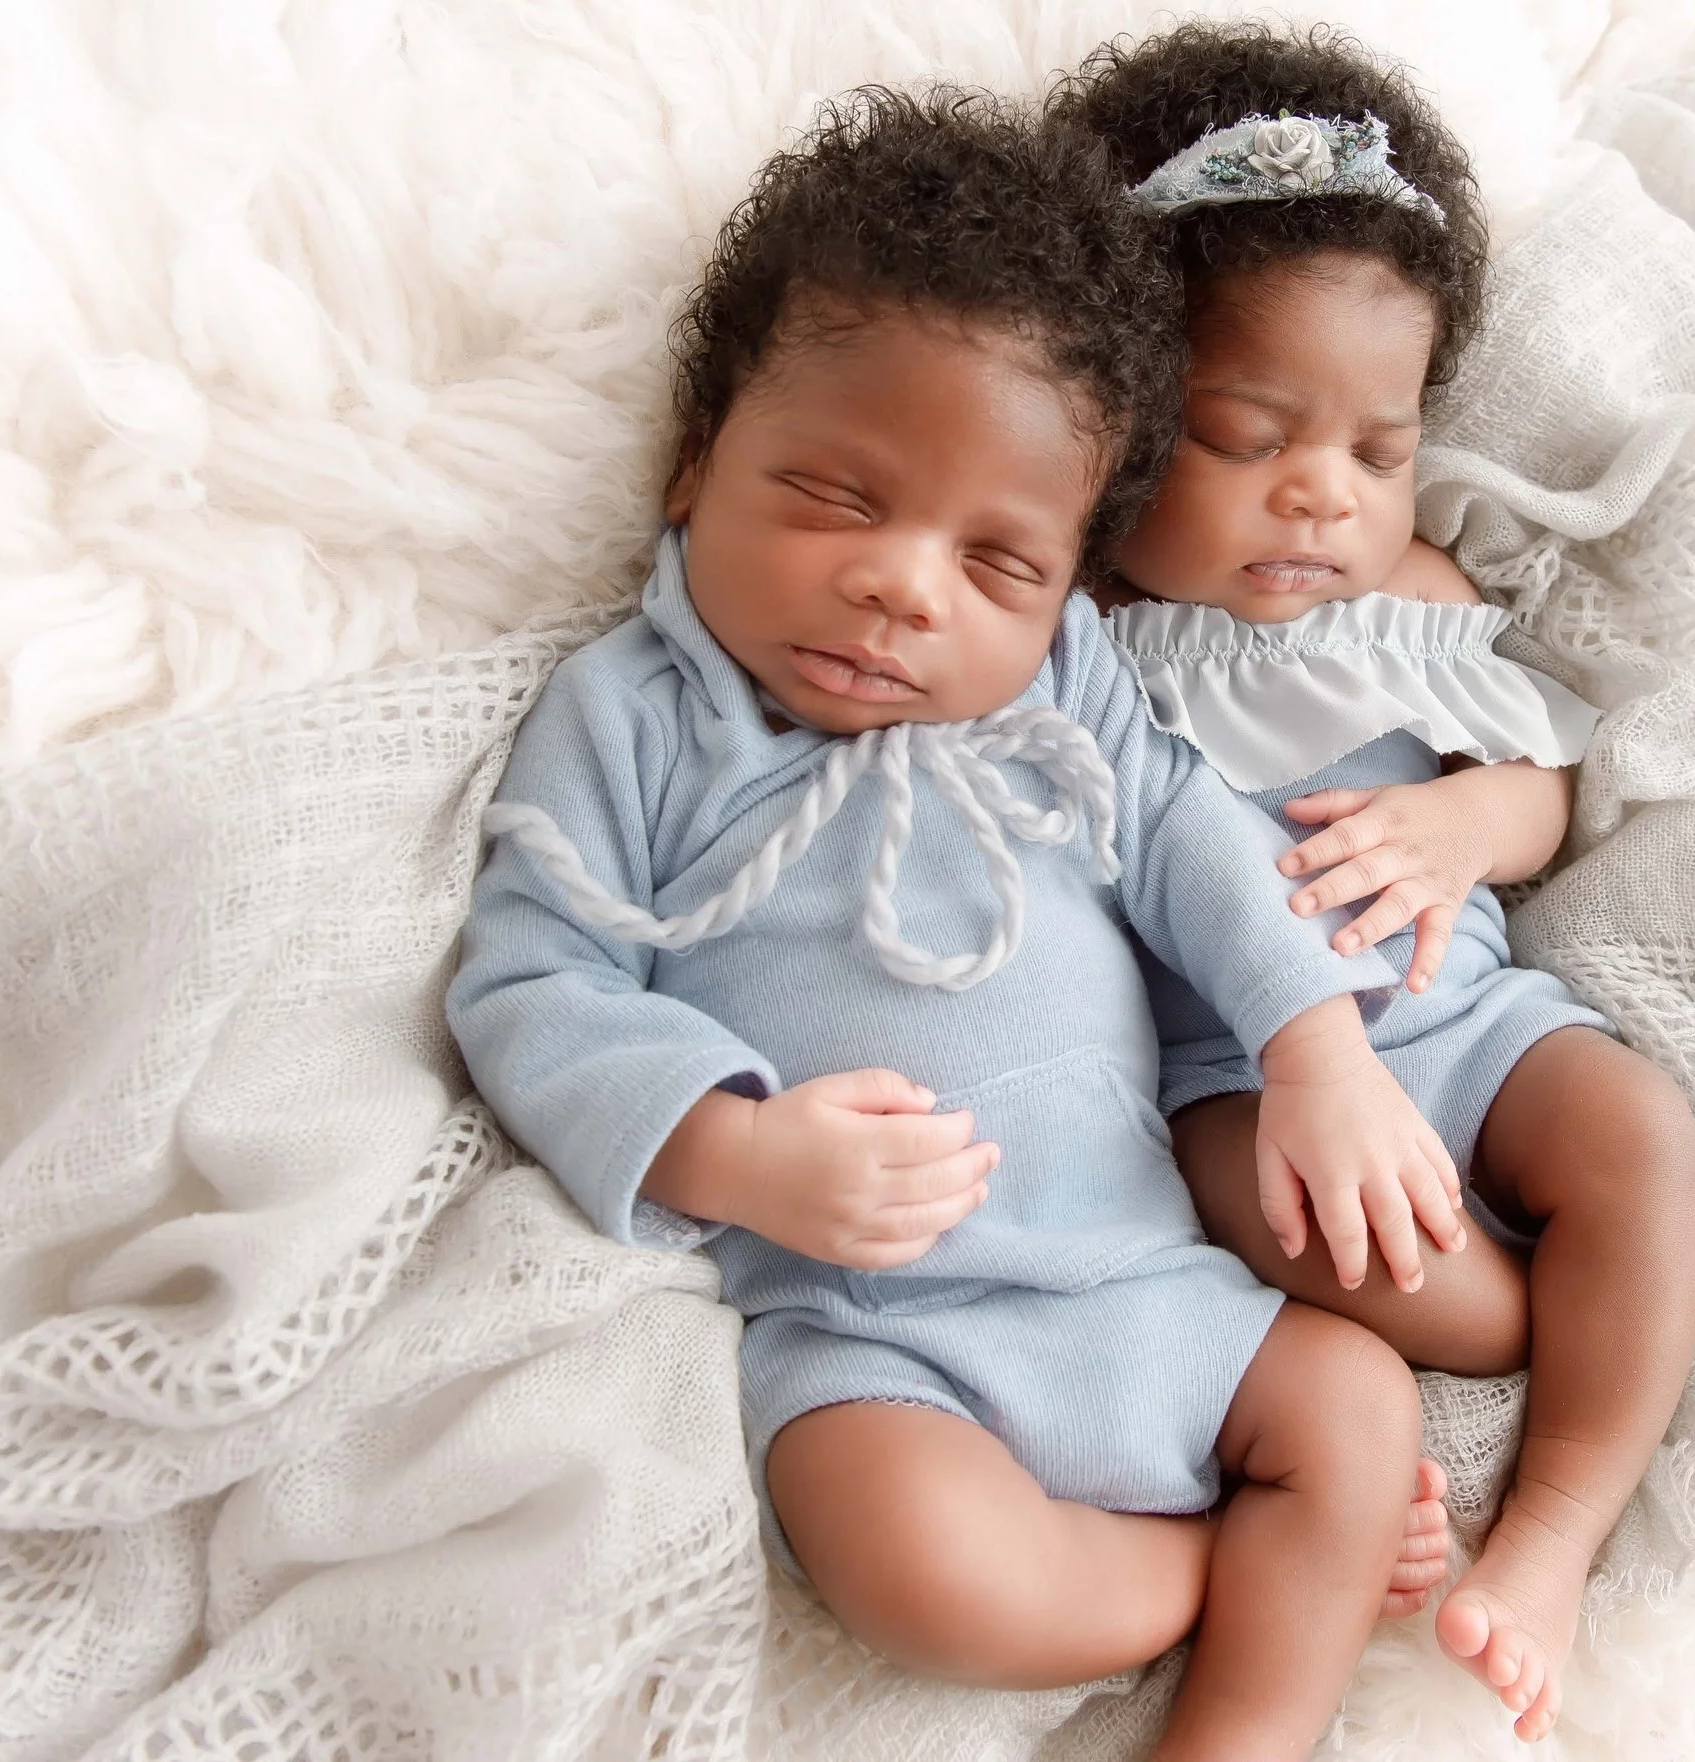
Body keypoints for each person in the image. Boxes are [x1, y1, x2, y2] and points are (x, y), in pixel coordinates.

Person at [448, 88, 1460, 1759]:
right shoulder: (638, 716)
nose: (906, 585)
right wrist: (737, 1154)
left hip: (1144, 1271)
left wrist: (1317, 1050)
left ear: (1073, 580)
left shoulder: (1066, 690)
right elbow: (534, 981)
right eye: (839, 498)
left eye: (997, 561)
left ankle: (1244, 1728)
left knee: (1356, 1400)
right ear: (698, 459)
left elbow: (1200, 848)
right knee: (919, 1572)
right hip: (880, 1331)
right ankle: (1236, 1570)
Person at [1053, 24, 1695, 1742]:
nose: (1321, 492)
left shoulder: (1418, 600)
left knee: (1635, 1133)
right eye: (1246, 434)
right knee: (1323, 1239)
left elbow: (1545, 784)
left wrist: (1468, 830)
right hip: (1250, 1087)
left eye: (1377, 450)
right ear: (1122, 415)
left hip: (1472, 1022)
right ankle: (1633, 1289)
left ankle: (1553, 1536)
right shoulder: (1084, 646)